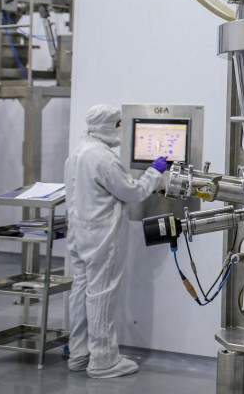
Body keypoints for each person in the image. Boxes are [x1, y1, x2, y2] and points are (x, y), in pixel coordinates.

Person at [64, 104, 169, 378]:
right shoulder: (103, 158)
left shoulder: (77, 153)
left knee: (81, 291)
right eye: (118, 124)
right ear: (107, 126)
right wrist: (155, 171)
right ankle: (103, 361)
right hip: (102, 238)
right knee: (101, 294)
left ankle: (79, 353)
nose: (121, 130)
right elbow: (132, 192)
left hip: (79, 235)